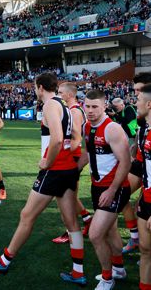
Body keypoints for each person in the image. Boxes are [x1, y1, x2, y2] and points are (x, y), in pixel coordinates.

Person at [0, 73, 86, 286]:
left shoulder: (50, 105)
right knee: (72, 222)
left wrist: (47, 161)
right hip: (68, 169)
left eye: (35, 88)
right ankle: (78, 271)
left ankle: (4, 260)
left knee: (27, 215)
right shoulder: (65, 106)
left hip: (54, 169)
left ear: (40, 87)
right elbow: (74, 136)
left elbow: (56, 139)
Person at [78, 89, 131, 289]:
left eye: (94, 107)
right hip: (96, 186)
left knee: (95, 234)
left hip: (115, 188)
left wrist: (112, 190)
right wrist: (72, 171)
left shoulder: (112, 129)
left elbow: (125, 162)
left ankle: (108, 278)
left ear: (104, 106)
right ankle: (119, 269)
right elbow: (88, 153)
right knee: (110, 232)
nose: (90, 111)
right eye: (87, 106)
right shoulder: (86, 127)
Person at [52, 82, 92, 244]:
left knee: (64, 199)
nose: (58, 95)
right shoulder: (72, 110)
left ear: (69, 95)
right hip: (73, 157)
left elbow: (76, 139)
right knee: (68, 196)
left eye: (61, 92)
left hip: (72, 158)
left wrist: (65, 160)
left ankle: (71, 232)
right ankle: (87, 219)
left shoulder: (74, 111)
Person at [122, 72, 151, 255]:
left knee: (143, 203)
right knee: (120, 193)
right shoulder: (141, 111)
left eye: (140, 91)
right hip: (140, 161)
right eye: (135, 91)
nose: (137, 95)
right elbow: (139, 134)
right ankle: (134, 237)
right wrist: (133, 152)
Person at [133, 83, 151, 290]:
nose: (135, 102)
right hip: (146, 200)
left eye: (138, 99)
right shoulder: (145, 131)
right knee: (145, 250)